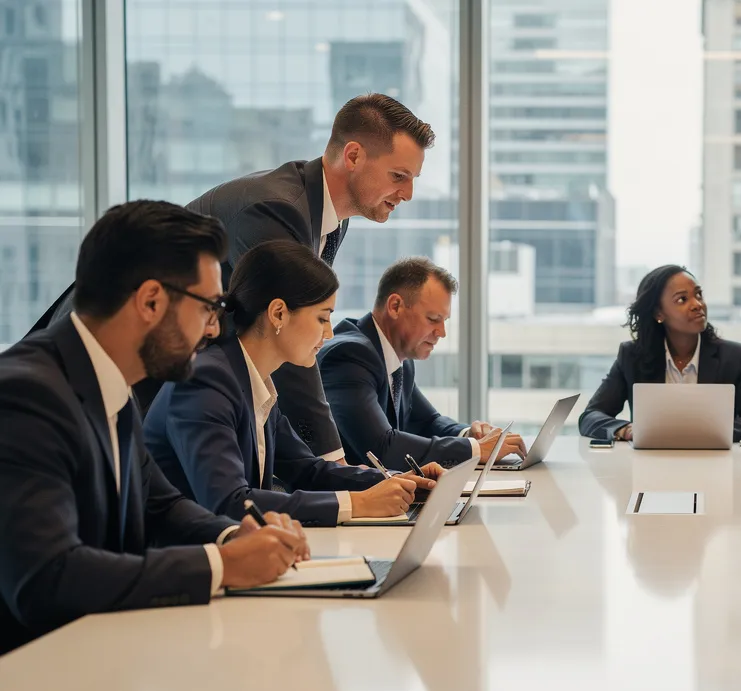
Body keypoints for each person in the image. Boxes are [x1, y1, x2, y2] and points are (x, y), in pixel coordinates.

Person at [28, 93, 436, 462]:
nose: (408, 193)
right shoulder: (279, 209)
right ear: (353, 155)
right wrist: (333, 461)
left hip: (165, 377)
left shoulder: (327, 221)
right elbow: (288, 336)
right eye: (399, 176)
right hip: (110, 366)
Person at [0, 200, 311, 655]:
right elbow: (47, 577)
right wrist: (221, 565)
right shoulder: (28, 396)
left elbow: (161, 505)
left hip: (97, 665)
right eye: (210, 306)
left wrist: (234, 534)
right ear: (150, 301)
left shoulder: (110, 382)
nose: (212, 329)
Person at [143, 240, 445, 526]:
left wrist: (399, 480)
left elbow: (306, 470)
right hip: (189, 565)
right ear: (278, 313)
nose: (328, 335)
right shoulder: (207, 380)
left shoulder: (250, 379)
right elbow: (230, 502)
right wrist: (357, 503)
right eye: (322, 318)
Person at [318, 257, 524, 469]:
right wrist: (476, 449)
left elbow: (427, 422)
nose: (441, 333)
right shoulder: (349, 356)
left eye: (444, 321)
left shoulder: (399, 358)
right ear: (395, 306)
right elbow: (382, 448)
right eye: (433, 319)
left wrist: (470, 435)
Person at [579, 265, 741, 442]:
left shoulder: (734, 356)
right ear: (659, 314)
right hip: (650, 468)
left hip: (715, 466)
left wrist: (702, 433)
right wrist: (626, 430)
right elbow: (591, 416)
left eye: (699, 295)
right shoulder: (632, 356)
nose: (697, 304)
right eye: (682, 299)